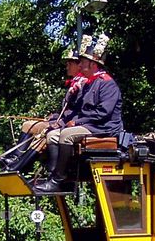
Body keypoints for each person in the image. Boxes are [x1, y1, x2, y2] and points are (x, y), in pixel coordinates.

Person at [33, 32, 123, 194]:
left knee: (66, 135)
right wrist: (59, 122)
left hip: (103, 127)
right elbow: (77, 109)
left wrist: (78, 122)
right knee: (53, 135)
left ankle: (59, 180)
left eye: (82, 62)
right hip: (89, 124)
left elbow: (103, 113)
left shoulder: (107, 84)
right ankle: (52, 176)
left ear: (93, 64)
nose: (79, 66)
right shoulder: (89, 84)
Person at [0, 47, 89, 173]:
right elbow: (68, 110)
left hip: (69, 125)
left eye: (70, 63)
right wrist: (54, 116)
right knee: (28, 125)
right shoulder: (74, 83)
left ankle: (21, 166)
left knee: (43, 135)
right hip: (62, 121)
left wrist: (59, 121)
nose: (67, 66)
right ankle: (14, 158)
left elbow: (79, 111)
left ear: (79, 66)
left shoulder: (84, 84)